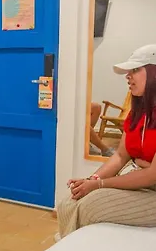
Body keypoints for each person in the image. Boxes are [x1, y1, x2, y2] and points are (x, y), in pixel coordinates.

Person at [58, 44, 156, 238]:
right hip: (138, 180)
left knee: (89, 207)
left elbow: (152, 175)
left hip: (150, 187)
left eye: (135, 70)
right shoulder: (137, 114)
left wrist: (100, 184)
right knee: (69, 202)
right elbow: (120, 156)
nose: (128, 76)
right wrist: (91, 180)